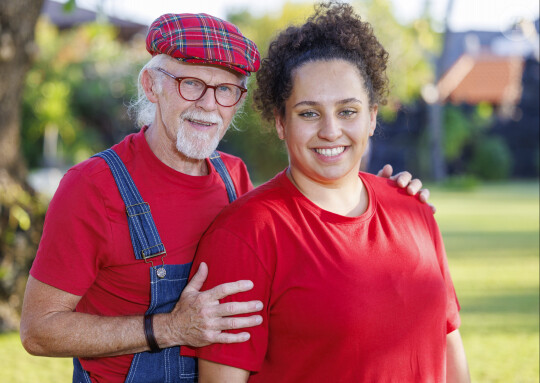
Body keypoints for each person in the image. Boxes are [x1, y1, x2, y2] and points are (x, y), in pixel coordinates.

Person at [20, 11, 431, 383]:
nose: (208, 105)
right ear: (151, 85)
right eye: (191, 84)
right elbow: (39, 330)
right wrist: (169, 328)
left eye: (226, 90)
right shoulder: (93, 187)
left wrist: (382, 197)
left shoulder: (233, 176)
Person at [183, 3, 471, 383]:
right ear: (280, 123)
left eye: (348, 111)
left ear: (371, 116)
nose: (331, 131)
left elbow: (448, 344)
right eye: (309, 113)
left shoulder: (414, 210)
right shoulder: (245, 235)